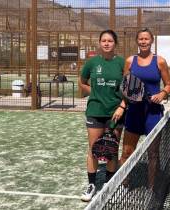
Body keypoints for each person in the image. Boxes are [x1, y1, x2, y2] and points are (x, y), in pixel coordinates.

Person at [79, 30, 126, 202]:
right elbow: (82, 82)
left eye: (110, 41)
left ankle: (108, 183)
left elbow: (128, 87)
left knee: (112, 150)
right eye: (104, 41)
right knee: (93, 150)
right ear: (99, 43)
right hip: (95, 112)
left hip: (116, 113)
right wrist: (94, 94)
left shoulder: (122, 63)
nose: (107, 43)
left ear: (115, 44)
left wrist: (122, 105)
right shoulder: (92, 63)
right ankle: (91, 185)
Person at [120, 28, 170, 166]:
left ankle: (152, 187)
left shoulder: (160, 61)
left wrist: (162, 94)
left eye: (146, 39)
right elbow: (125, 85)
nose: (143, 41)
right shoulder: (130, 61)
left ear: (152, 40)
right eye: (141, 39)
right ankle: (125, 185)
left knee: (153, 154)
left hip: (153, 113)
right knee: (126, 152)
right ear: (137, 41)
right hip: (134, 112)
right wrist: (123, 104)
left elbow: (168, 84)